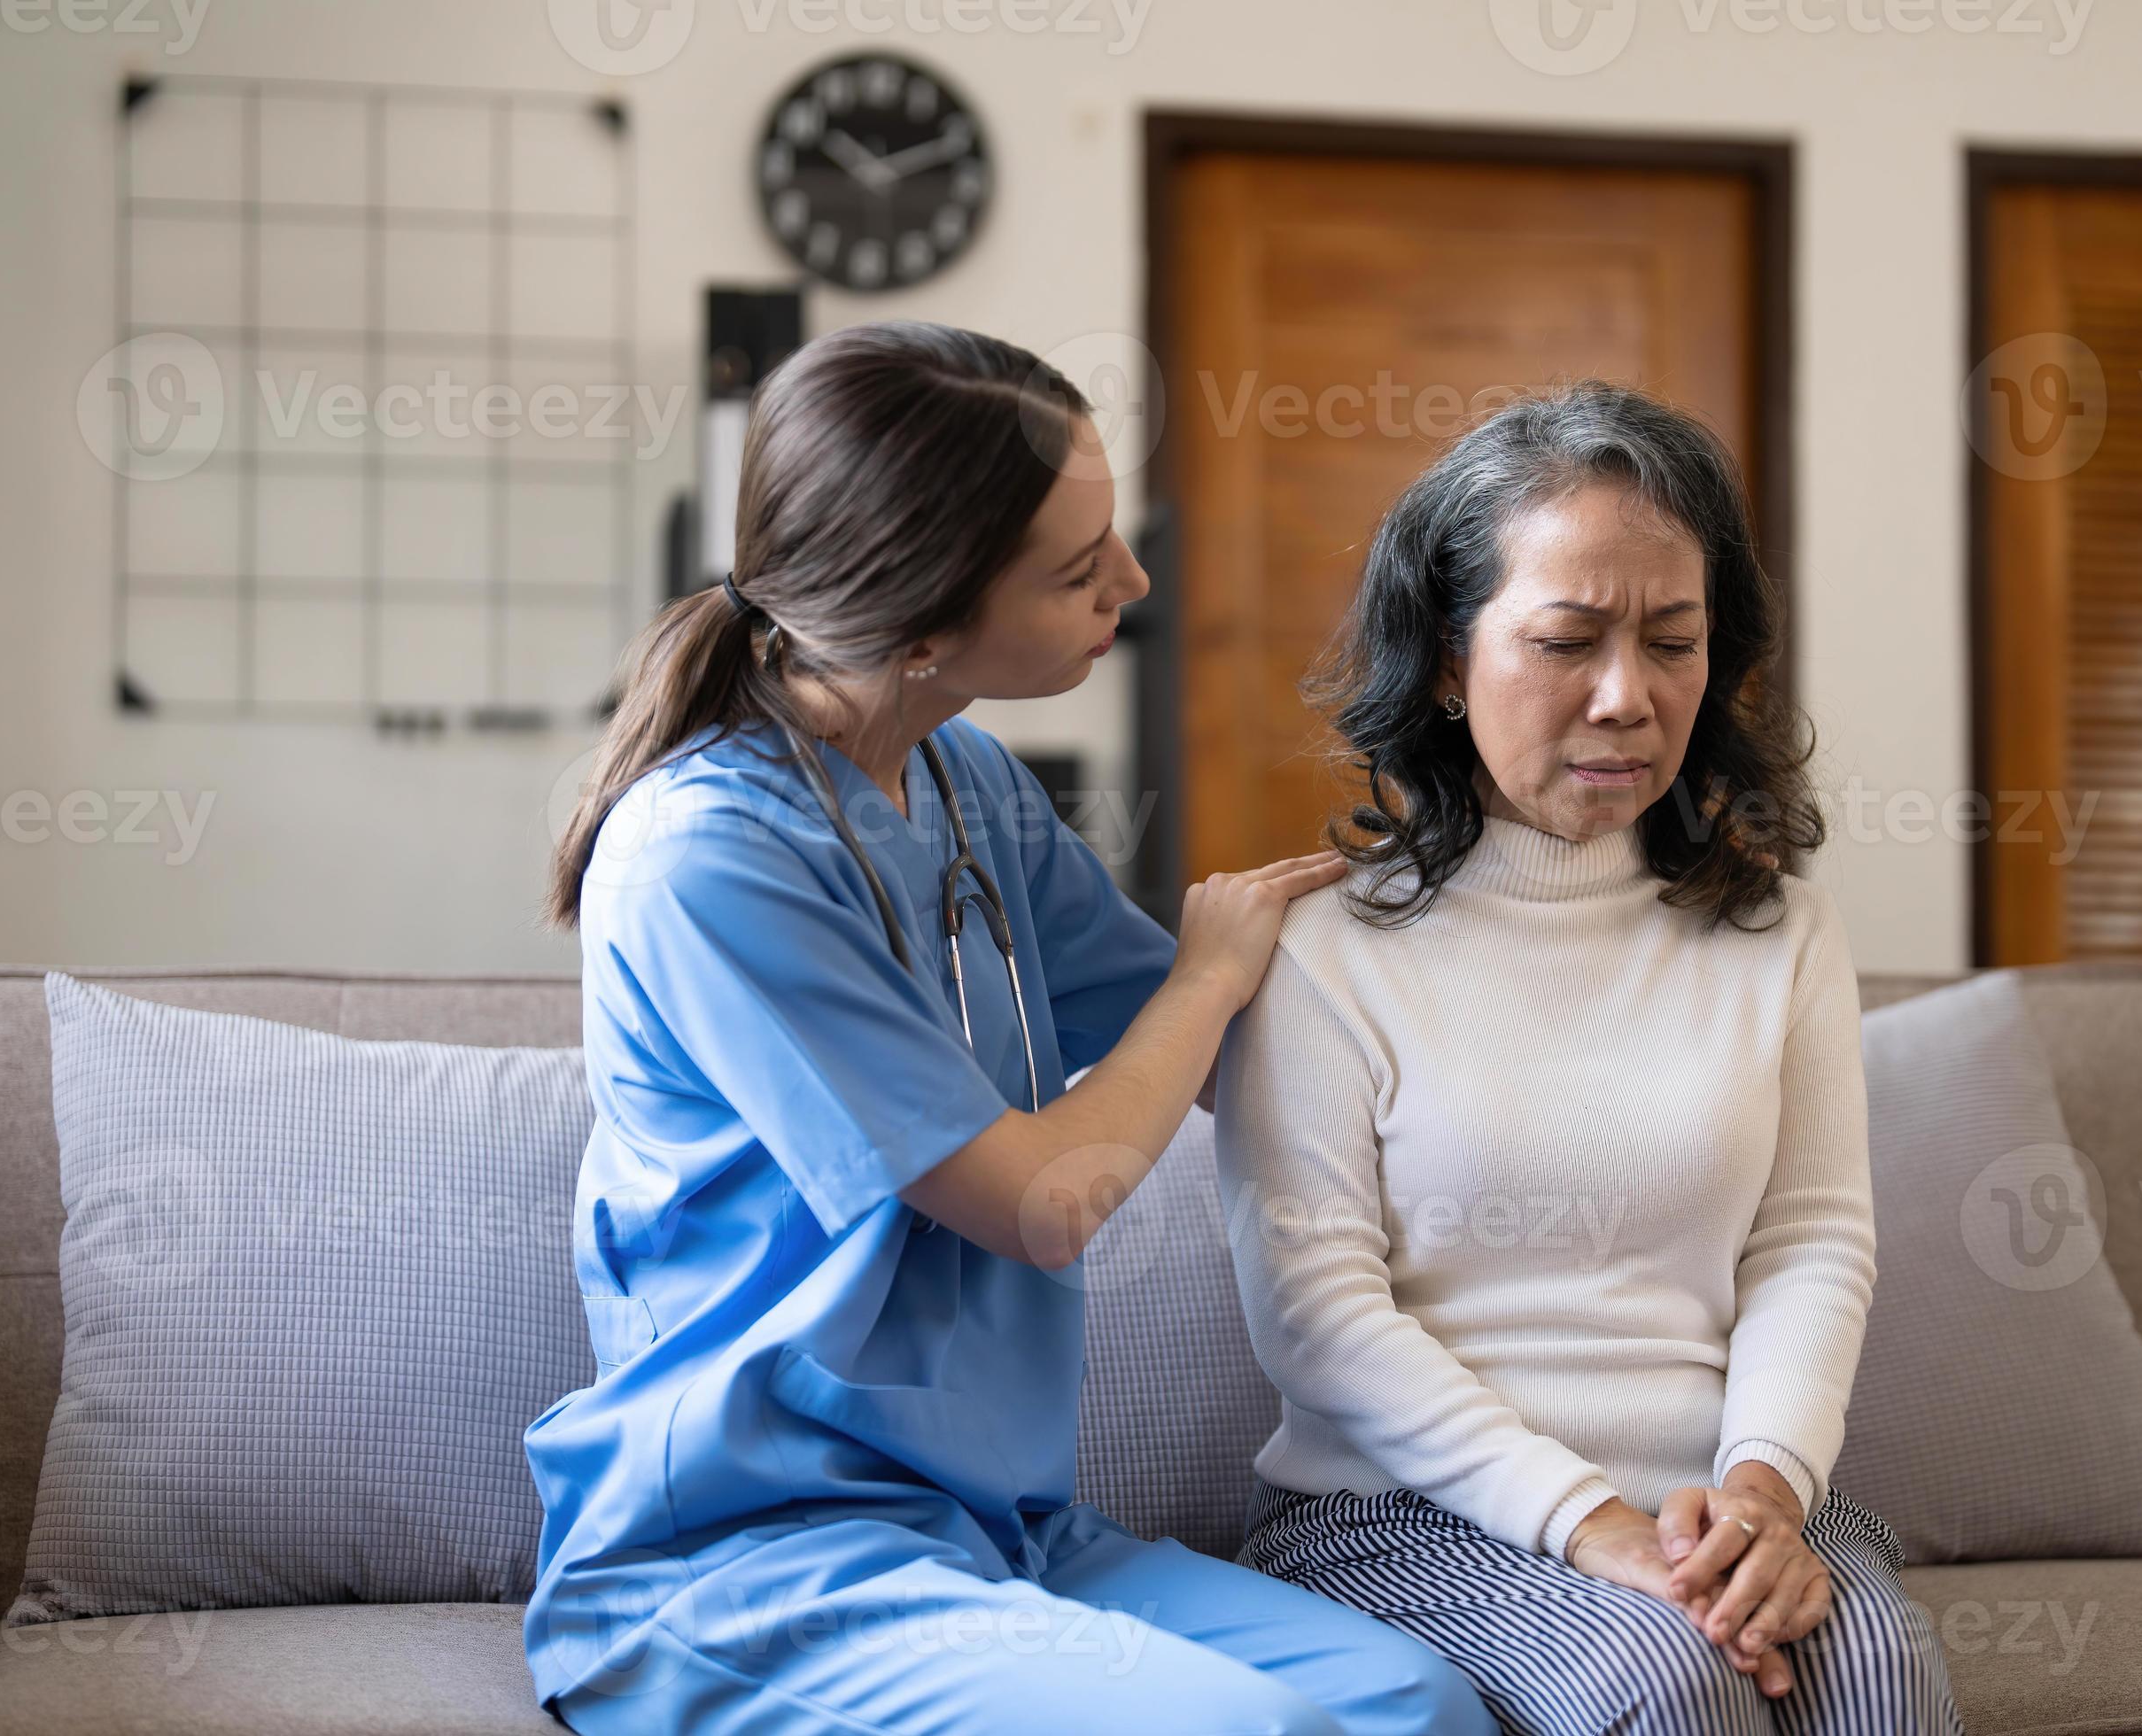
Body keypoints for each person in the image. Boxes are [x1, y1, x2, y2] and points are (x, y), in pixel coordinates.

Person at [523, 321, 1498, 1736]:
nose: (1134, 582)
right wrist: (1208, 977)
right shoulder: (705, 861)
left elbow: (1240, 1053)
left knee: (1417, 1704)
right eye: (1077, 566)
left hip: (997, 1530)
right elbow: (1043, 1201)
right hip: (747, 1566)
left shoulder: (963, 777)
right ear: (920, 619)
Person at [1215, 381, 1966, 1734]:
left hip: (1715, 1498)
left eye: (1673, 643)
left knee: (1876, 1671)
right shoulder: (1323, 949)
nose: (1628, 698)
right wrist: (1591, 1524)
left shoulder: (1779, 928)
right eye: (1566, 641)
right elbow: (1320, 1318)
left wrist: (1764, 1493)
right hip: (1411, 1510)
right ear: (1449, 659)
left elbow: (1809, 1243)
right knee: (1664, 1675)